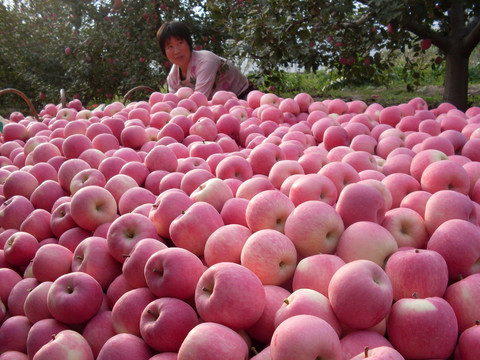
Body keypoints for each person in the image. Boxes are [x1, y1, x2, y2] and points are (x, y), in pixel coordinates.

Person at [156, 20, 255, 100]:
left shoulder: (205, 62)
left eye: (180, 43)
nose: (176, 51)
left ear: (189, 43)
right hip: (218, 109)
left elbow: (198, 102)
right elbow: (174, 106)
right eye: (170, 47)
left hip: (244, 97)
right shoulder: (173, 77)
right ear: (164, 51)